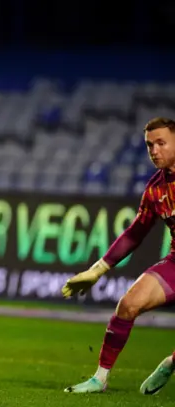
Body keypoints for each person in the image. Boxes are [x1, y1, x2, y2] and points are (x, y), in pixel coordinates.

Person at [62, 117, 175, 393]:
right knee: (127, 305)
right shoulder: (155, 190)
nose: (154, 151)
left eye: (161, 143)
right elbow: (136, 233)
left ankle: (172, 361)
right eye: (150, 145)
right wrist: (97, 270)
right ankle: (100, 379)